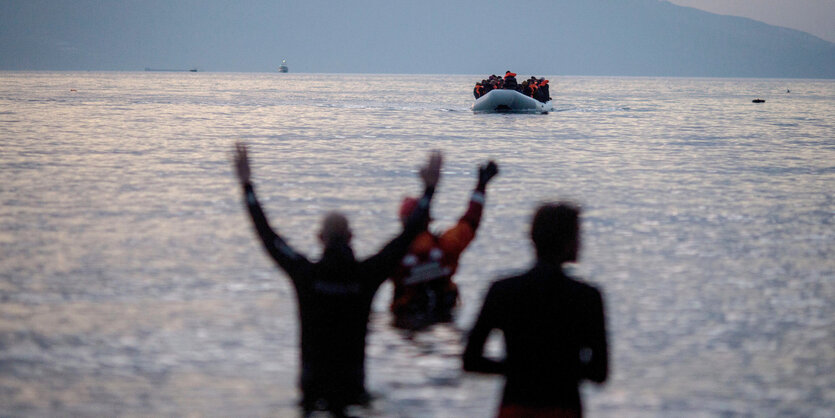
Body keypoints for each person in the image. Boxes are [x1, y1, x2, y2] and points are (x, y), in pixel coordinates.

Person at [234, 143, 442, 417]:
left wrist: (247, 187)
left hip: (312, 388)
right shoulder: (365, 275)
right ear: (351, 238)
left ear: (320, 239)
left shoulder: (306, 275)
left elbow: (268, 237)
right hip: (352, 387)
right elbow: (404, 240)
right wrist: (429, 190)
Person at [463, 203, 608, 418]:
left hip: (514, 408)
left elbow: (471, 360)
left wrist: (517, 368)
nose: (581, 243)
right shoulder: (587, 296)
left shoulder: (502, 290)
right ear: (568, 243)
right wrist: (561, 369)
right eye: (578, 235)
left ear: (533, 239)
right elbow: (599, 373)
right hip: (564, 409)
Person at [389, 160, 499, 330]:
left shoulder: (393, 256)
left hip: (406, 321)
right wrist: (481, 185)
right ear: (428, 219)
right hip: (443, 317)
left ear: (403, 222)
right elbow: (470, 221)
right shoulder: (445, 247)